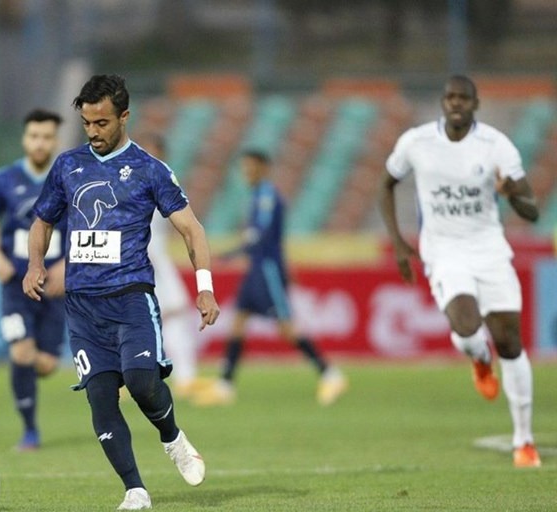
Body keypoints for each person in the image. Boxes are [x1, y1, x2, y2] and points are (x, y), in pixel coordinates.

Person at [23, 74, 220, 510]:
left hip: (131, 297)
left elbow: (192, 230)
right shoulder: (68, 166)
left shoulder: (150, 170)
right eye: (87, 123)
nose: (93, 132)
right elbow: (42, 222)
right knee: (100, 395)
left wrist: (205, 289)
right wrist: (36, 264)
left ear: (124, 117)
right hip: (82, 305)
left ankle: (172, 438)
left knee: (142, 381)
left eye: (102, 123)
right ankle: (135, 489)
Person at [378, 74, 541, 468]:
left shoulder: (496, 145)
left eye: (463, 98)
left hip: (489, 250)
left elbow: (532, 211)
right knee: (466, 326)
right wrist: (397, 241)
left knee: (511, 344)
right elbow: (386, 185)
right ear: (442, 102)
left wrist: (512, 194)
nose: (455, 103)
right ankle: (479, 357)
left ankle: (524, 440)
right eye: (450, 97)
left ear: (475, 104)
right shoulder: (416, 142)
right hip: (444, 251)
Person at [193, 150, 348, 407]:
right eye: (244, 167)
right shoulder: (256, 195)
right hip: (255, 268)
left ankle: (330, 374)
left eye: (250, 167)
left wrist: (231, 253)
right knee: (238, 321)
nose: (246, 172)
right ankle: (225, 385)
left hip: (267, 269)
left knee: (286, 327)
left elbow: (260, 235)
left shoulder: (267, 196)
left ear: (263, 168)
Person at [0, 109, 67, 450]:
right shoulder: (4, 179)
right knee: (21, 352)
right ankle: (30, 431)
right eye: (34, 136)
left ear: (55, 141)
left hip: (54, 287)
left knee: (45, 365)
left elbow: (87, 226)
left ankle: (29, 368)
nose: (39, 143)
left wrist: (69, 264)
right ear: (24, 138)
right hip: (16, 283)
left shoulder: (70, 178)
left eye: (46, 137)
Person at [138, 133, 208, 398]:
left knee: (162, 317)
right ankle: (184, 377)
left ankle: (133, 378)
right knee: (170, 315)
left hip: (154, 259)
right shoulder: (142, 184)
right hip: (148, 262)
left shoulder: (158, 181)